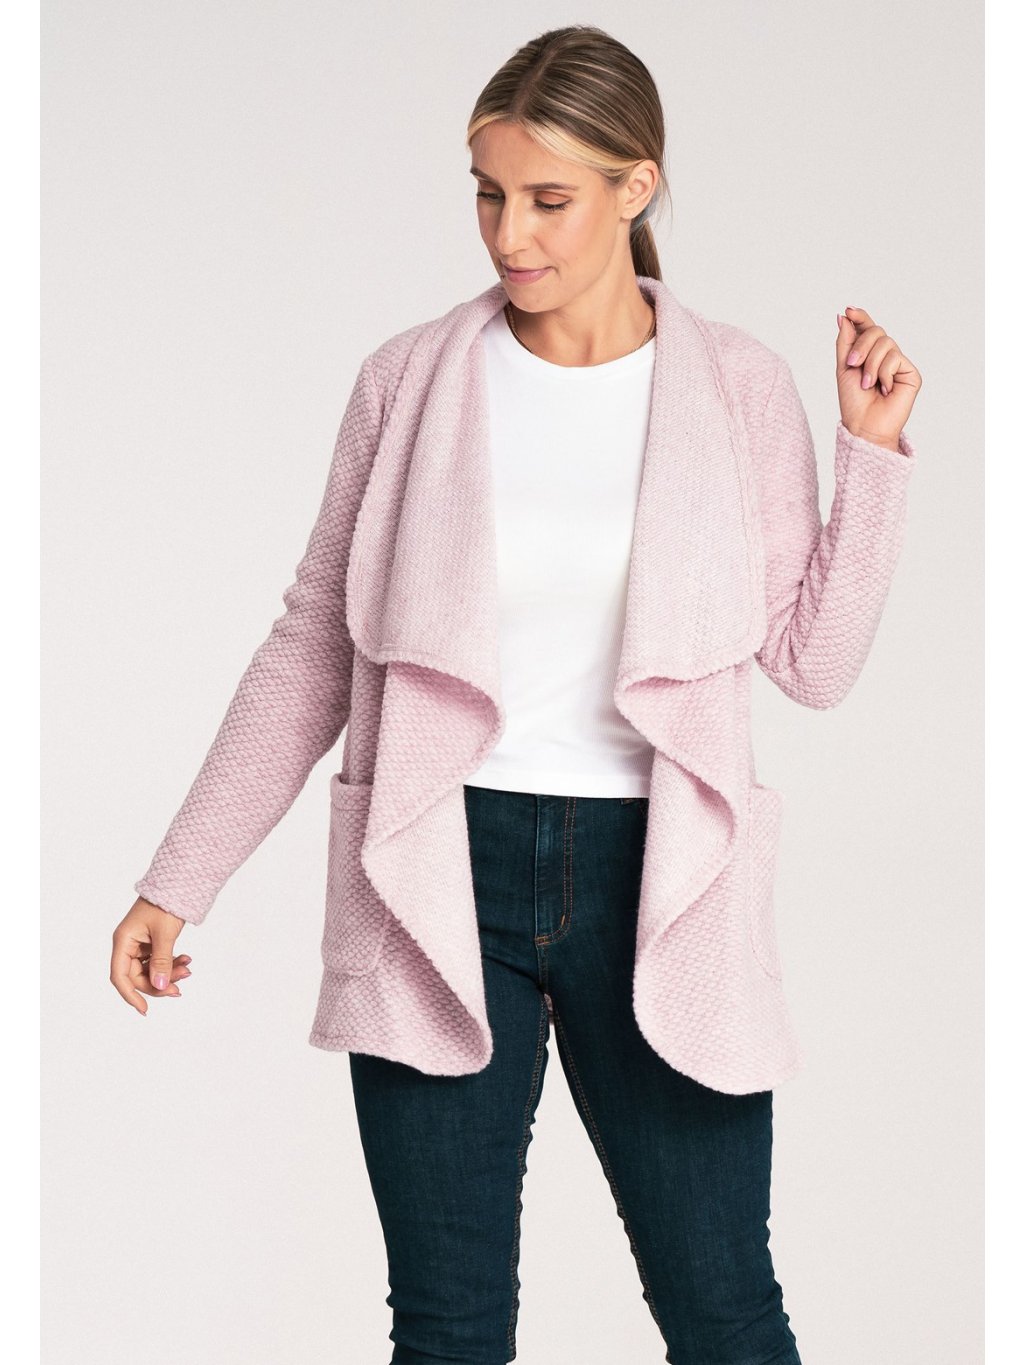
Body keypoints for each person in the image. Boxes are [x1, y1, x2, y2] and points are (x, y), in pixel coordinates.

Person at [110, 23, 922, 1365]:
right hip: (437, 863)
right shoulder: (409, 381)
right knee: (446, 1329)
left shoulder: (737, 389)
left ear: (636, 186)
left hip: (662, 879)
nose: (509, 233)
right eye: (488, 194)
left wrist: (873, 459)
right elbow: (314, 644)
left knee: (724, 1311)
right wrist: (178, 877)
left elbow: (813, 665)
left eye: (549, 199)